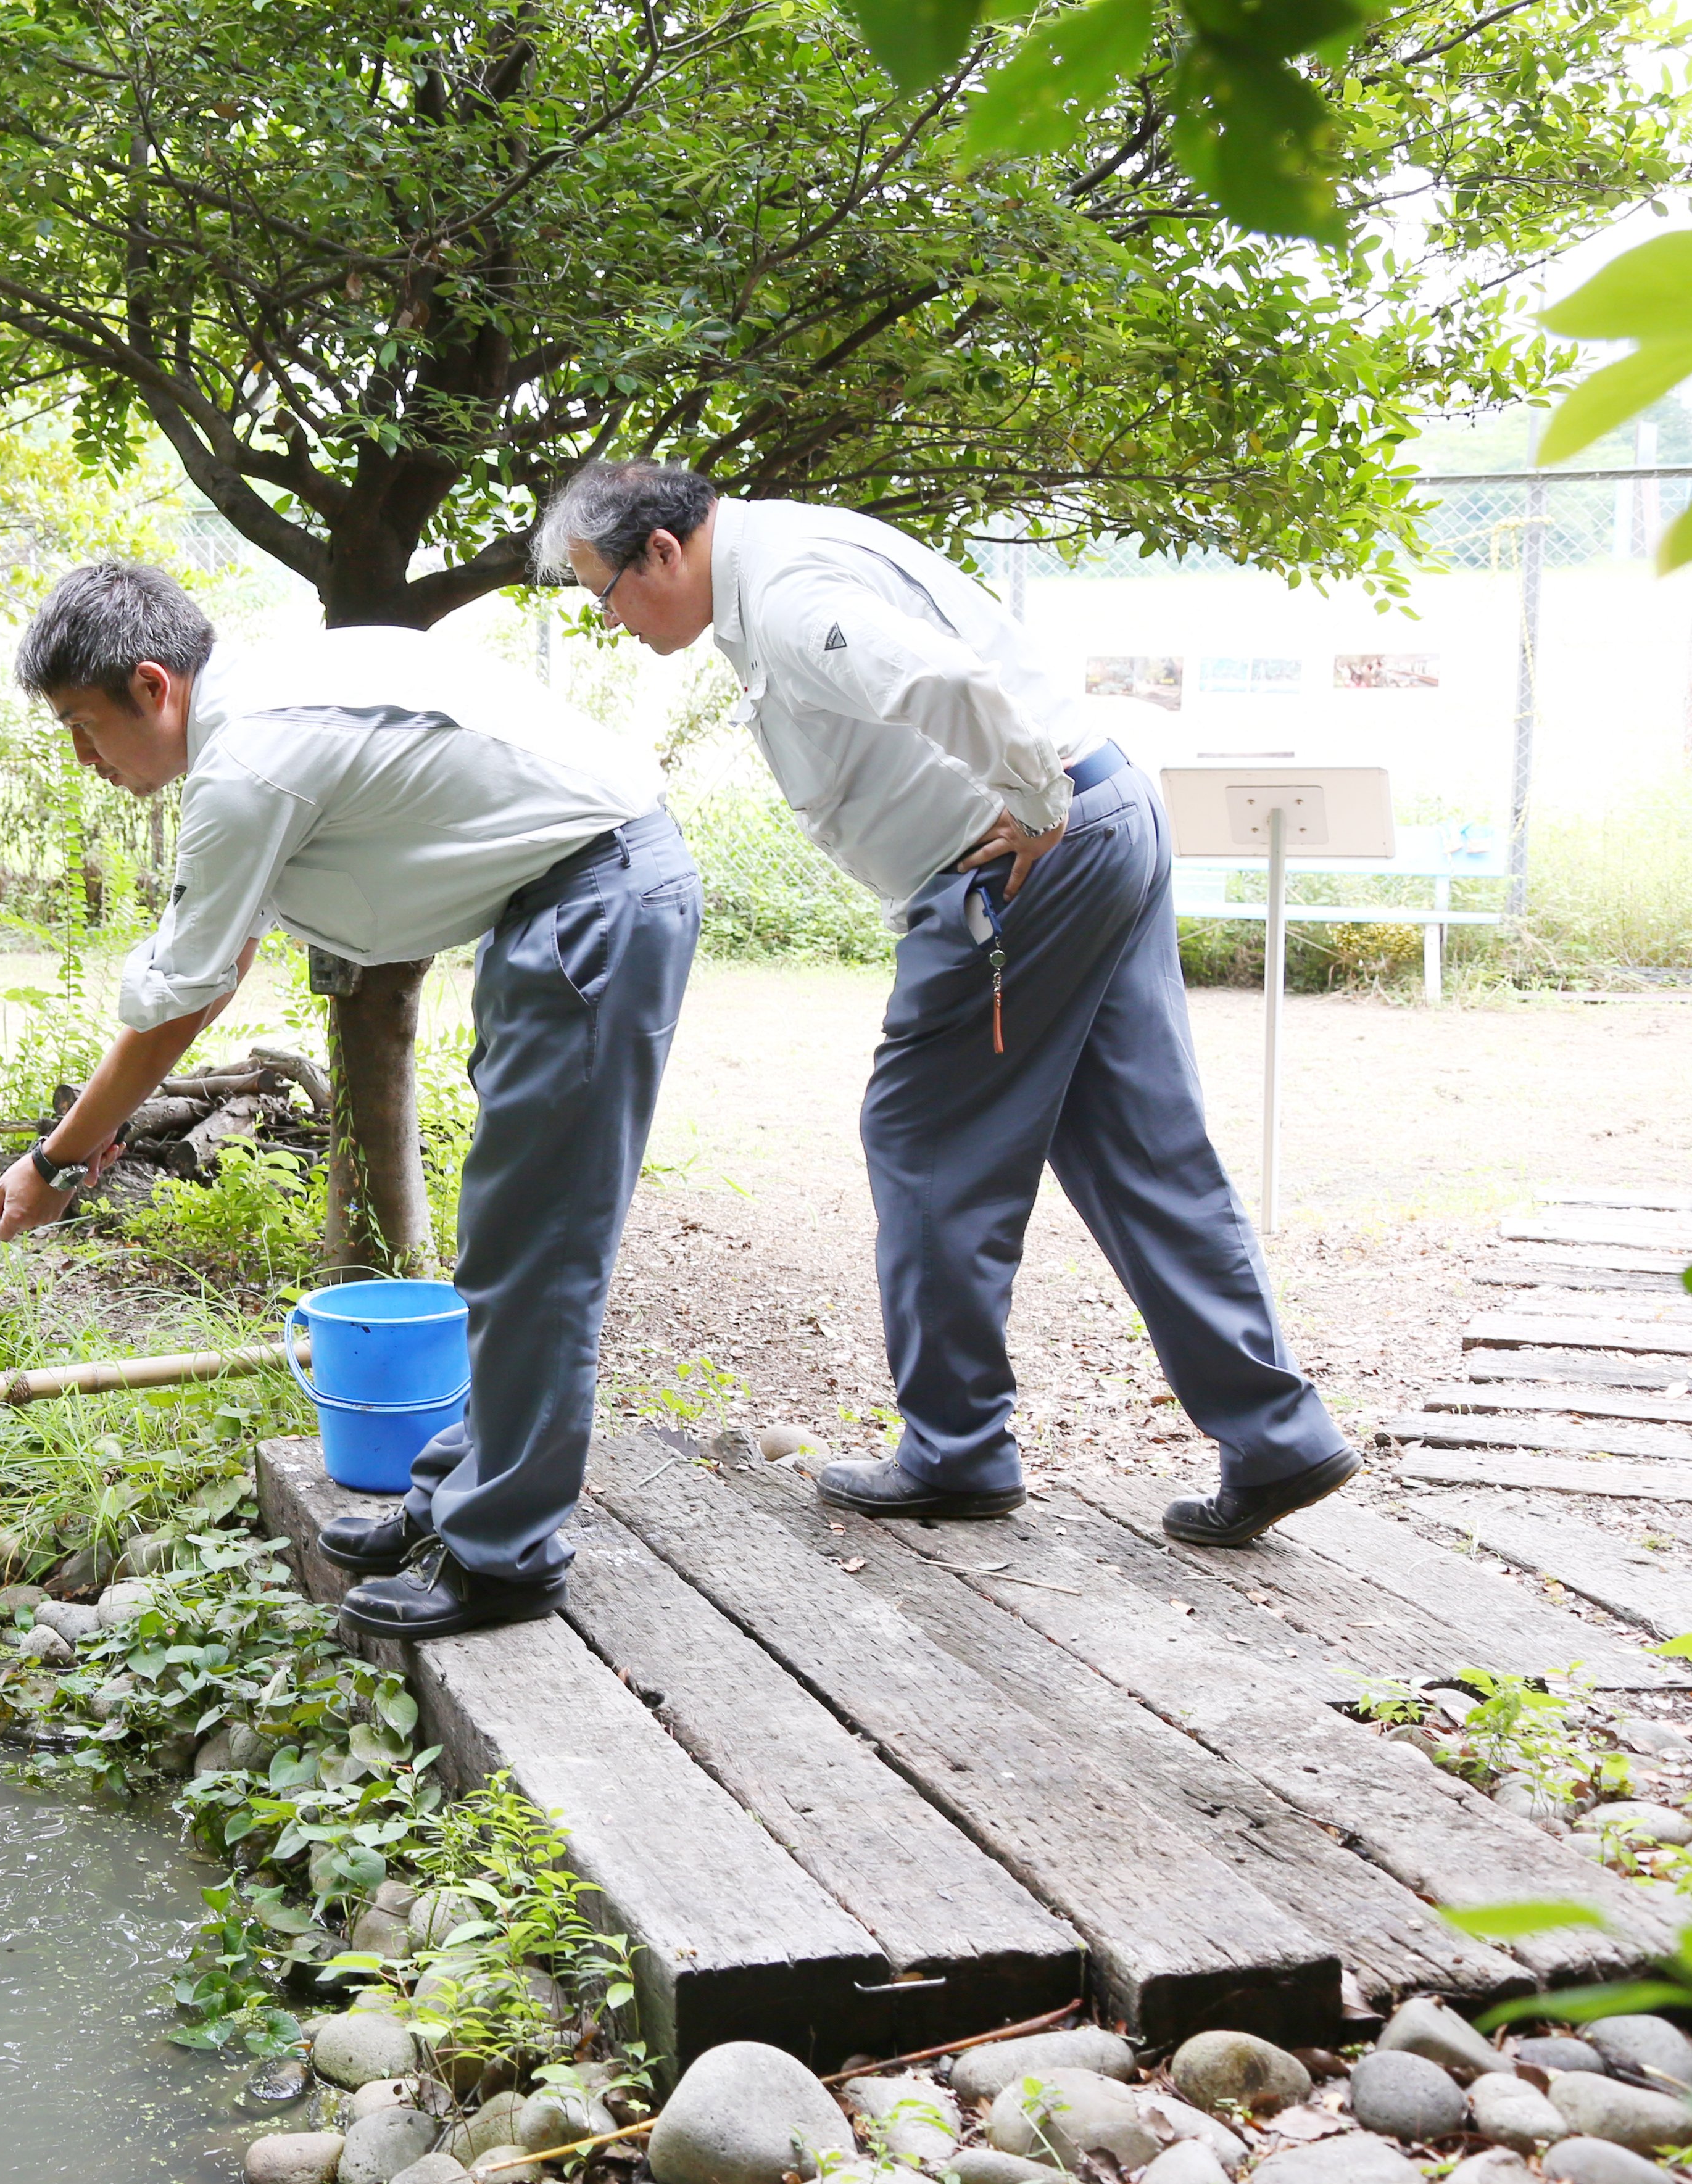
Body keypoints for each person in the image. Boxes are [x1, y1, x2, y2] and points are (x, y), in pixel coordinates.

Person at [533, 461, 1354, 1544]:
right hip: (1107, 814)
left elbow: (938, 682)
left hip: (1031, 858)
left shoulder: (785, 596)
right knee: (1141, 1147)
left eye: (603, 591)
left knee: (922, 1136)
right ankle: (1277, 1435)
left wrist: (1032, 796)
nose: (609, 619)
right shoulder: (784, 548)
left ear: (664, 553)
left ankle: (957, 1450)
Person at [0, 561, 697, 1639]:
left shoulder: (249, 763)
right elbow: (224, 953)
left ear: (150, 687)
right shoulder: (264, 712)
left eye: (85, 728)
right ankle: (454, 1499)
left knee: (538, 1246)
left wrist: (58, 1159)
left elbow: (187, 999)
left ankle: (504, 1556)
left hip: (598, 897)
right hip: (561, 901)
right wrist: (81, 1144)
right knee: (506, 1234)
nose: (86, 762)